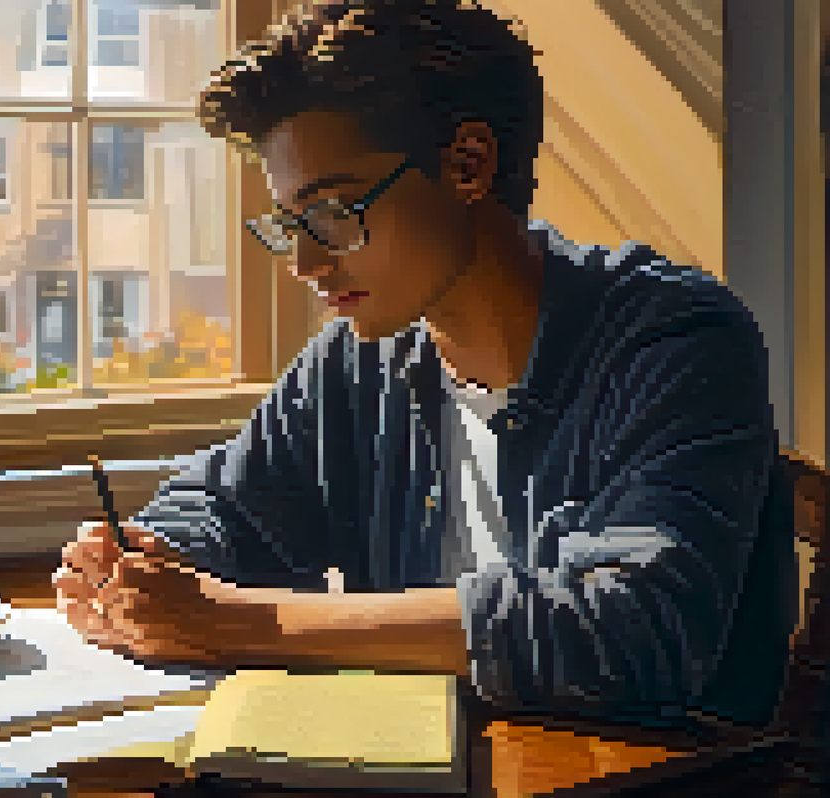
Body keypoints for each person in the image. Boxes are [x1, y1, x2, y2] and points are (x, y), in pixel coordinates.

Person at [53, 0, 796, 732]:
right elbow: (227, 504)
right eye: (290, 226)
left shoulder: (677, 340)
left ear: (468, 164)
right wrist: (141, 562)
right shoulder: (357, 360)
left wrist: (239, 621)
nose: (306, 263)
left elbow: (632, 628)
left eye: (334, 213)